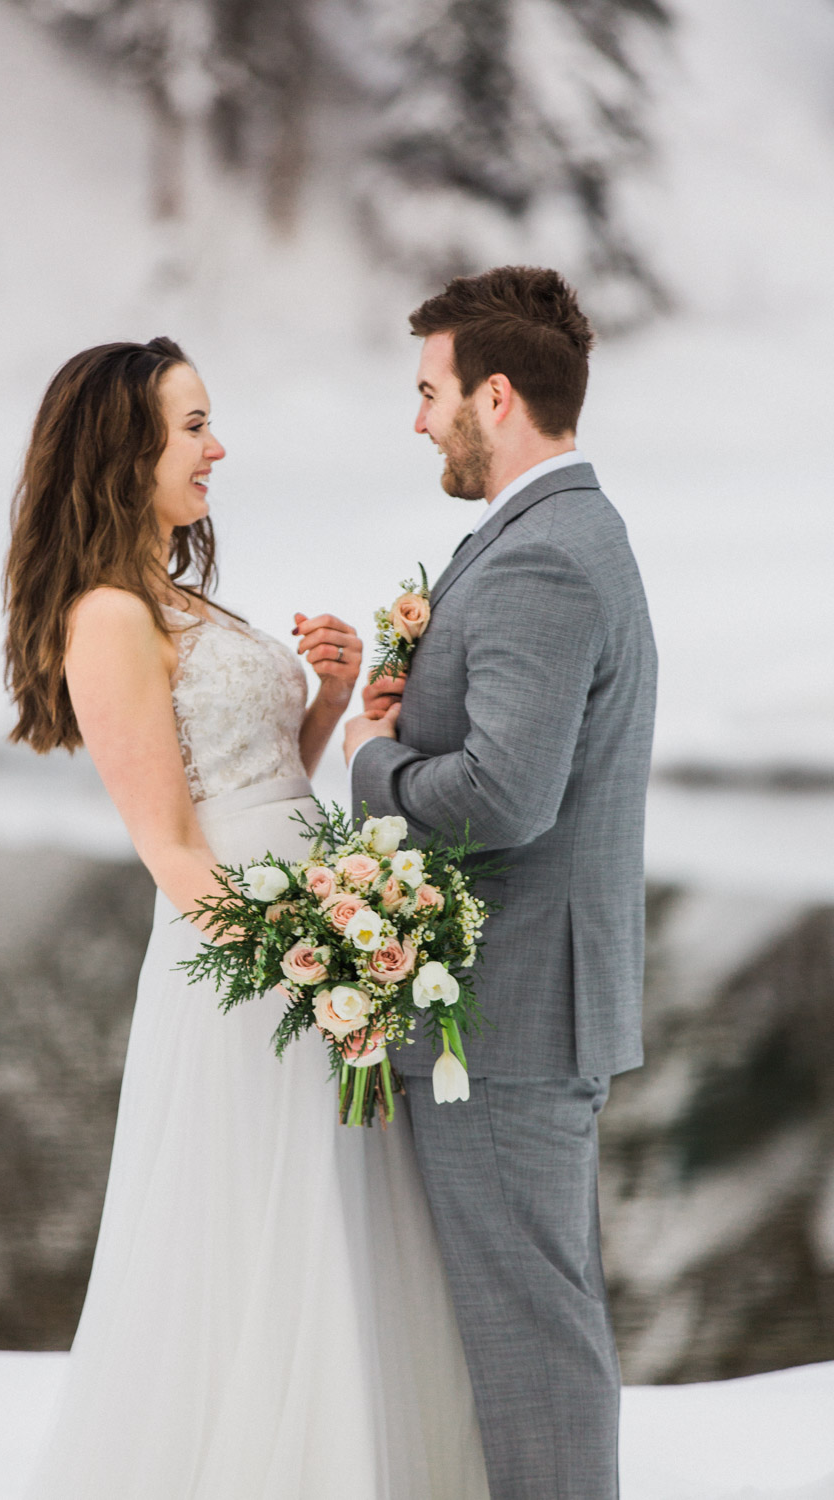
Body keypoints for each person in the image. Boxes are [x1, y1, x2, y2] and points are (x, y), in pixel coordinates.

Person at [4, 336, 490, 1499]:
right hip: (245, 972)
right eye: (191, 428)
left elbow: (260, 782)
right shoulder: (109, 616)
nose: (216, 448)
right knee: (255, 1241)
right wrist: (299, 962)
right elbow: (173, 842)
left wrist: (327, 700)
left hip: (307, 945)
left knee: (335, 1231)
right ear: (123, 447)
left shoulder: (175, 595)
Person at [345, 266, 658, 1500]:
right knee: (534, 1330)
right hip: (524, 1009)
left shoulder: (546, 557)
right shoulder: (549, 532)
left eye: (428, 392)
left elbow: (501, 797)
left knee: (534, 1345)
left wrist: (375, 764)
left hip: (512, 1016)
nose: (417, 418)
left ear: (495, 392)